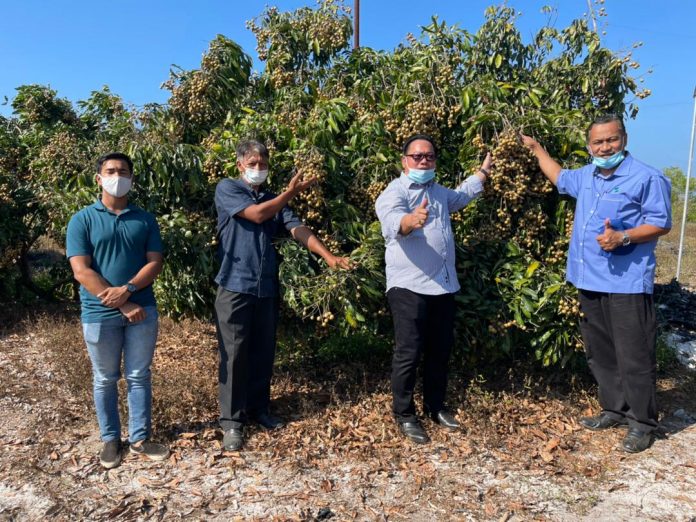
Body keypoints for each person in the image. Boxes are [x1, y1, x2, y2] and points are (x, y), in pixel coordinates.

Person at [521, 114, 671, 453]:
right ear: (589, 146)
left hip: (627, 282)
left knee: (634, 353)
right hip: (587, 278)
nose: (605, 147)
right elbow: (558, 176)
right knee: (600, 351)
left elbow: (661, 223)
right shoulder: (586, 176)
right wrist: (537, 149)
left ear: (624, 139)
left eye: (611, 140)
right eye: (598, 142)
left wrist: (623, 236)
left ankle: (642, 423)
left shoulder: (647, 177)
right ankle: (614, 409)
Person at [214, 139, 351, 452]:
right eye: (252, 164)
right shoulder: (227, 189)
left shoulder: (275, 199)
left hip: (266, 286)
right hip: (234, 284)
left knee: (263, 351)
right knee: (234, 355)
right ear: (240, 165)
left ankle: (258, 409)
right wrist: (290, 193)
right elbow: (259, 215)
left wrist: (328, 256)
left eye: (263, 164)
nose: (258, 169)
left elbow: (296, 228)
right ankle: (232, 422)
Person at [375, 134, 491, 444]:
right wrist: (410, 221)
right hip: (408, 285)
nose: (423, 161)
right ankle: (404, 413)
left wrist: (482, 173)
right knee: (409, 352)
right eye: (417, 156)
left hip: (442, 285)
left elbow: (461, 197)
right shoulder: (395, 191)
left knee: (439, 351)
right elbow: (390, 221)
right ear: (405, 161)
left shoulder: (438, 192)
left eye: (429, 156)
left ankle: (435, 406)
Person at [66, 152, 169, 469]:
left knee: (139, 376)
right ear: (98, 178)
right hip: (100, 316)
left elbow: (155, 262)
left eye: (123, 171)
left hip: (143, 311)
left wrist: (130, 290)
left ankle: (139, 438)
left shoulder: (145, 219)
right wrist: (123, 303)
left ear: (132, 179)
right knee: (105, 378)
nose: (117, 175)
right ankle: (111, 440)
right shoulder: (82, 219)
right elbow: (81, 271)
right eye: (110, 171)